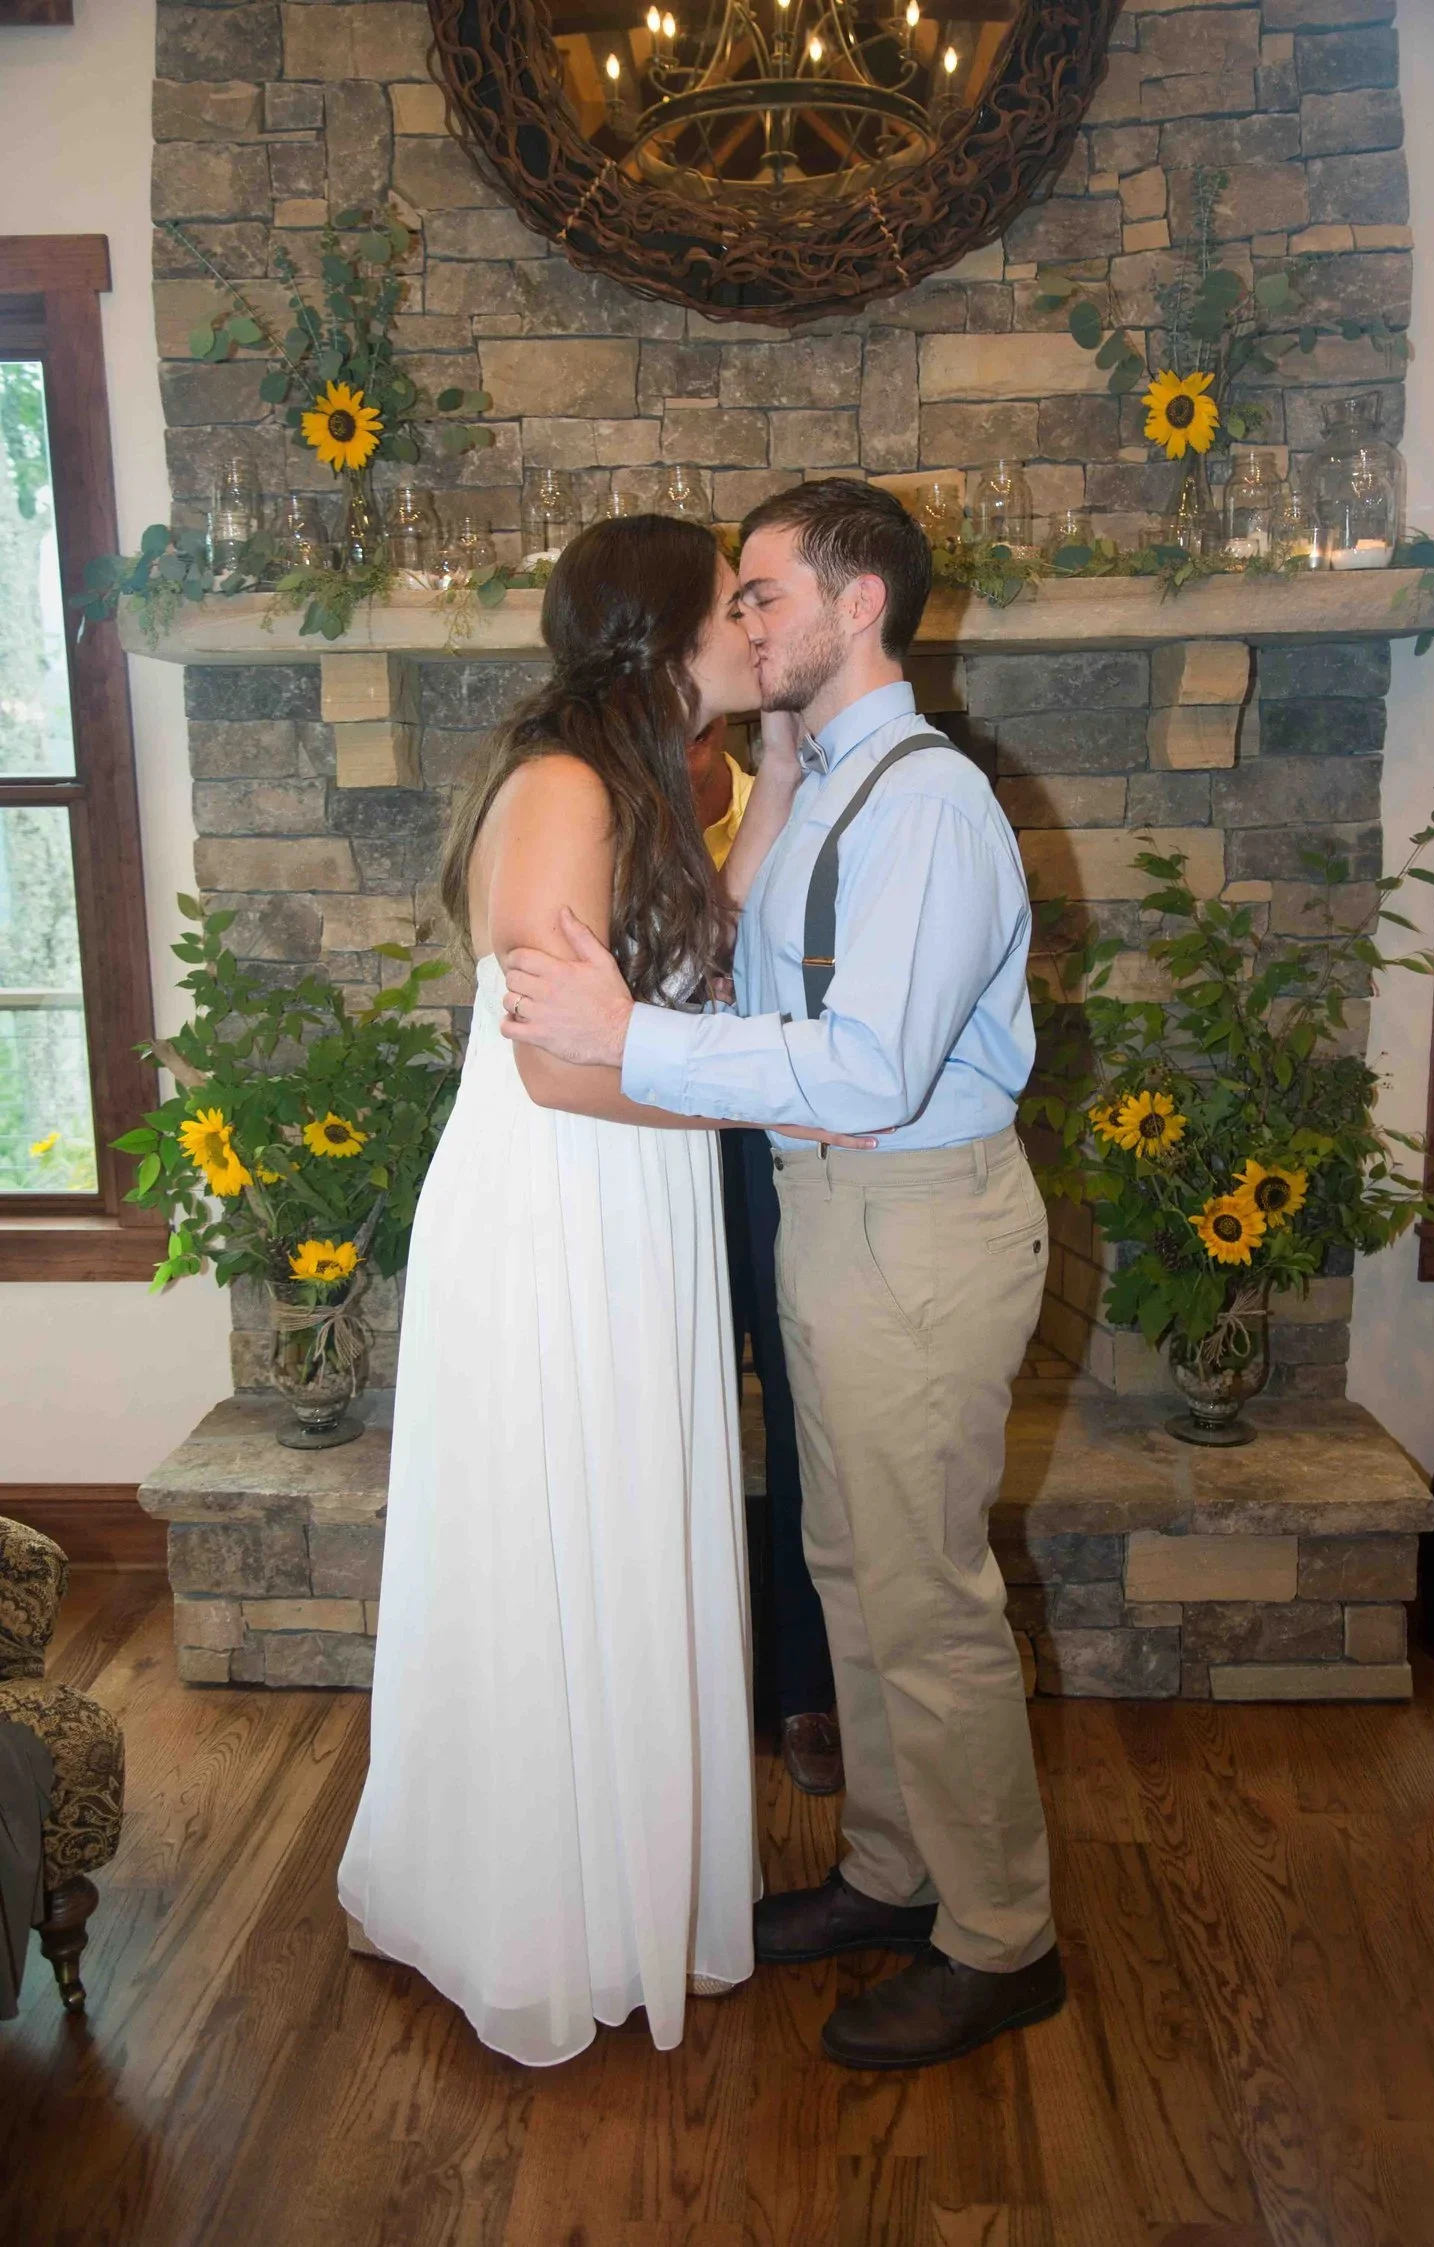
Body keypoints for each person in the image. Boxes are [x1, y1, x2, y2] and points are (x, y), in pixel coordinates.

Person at [500, 478, 1064, 2072]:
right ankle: (894, 1873)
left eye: (761, 593)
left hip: (917, 1212)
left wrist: (627, 1039)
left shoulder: (932, 805)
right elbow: (753, 943)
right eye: (735, 601)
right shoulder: (823, 775)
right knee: (850, 1567)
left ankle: (1000, 1936)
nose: (739, 623)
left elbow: (873, 1063)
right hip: (829, 1214)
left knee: (929, 1596)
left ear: (859, 599)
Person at [337, 514, 867, 2068]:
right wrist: (775, 1100)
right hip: (557, 1208)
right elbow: (563, 1069)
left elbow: (708, 927)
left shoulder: (652, 777)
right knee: (554, 1540)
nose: (749, 625)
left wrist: (773, 744)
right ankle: (536, 1915)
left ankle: (635, 1893)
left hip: (637, 1207)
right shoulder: (562, 787)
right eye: (731, 607)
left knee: (631, 1533)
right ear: (661, 634)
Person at [689, 717, 842, 1797]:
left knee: (800, 1406)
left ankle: (807, 1687)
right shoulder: (600, 797)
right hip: (643, 1143)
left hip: (772, 1141)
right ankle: (679, 1688)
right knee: (671, 1411)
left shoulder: (801, 788)